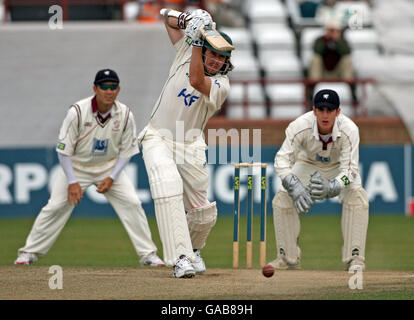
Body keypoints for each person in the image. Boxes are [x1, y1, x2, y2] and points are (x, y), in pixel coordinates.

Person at [14, 69, 165, 268]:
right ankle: (28, 253)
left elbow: (127, 151)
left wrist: (111, 177)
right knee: (55, 207)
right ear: (95, 88)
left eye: (113, 87)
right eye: (104, 87)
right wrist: (72, 181)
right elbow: (63, 150)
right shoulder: (77, 111)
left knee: (132, 202)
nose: (109, 91)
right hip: (77, 167)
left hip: (109, 167)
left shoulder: (125, 114)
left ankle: (148, 255)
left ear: (118, 90)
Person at [138, 8, 233, 278]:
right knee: (167, 187)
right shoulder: (185, 50)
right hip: (158, 137)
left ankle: (193, 249)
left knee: (203, 214)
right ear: (205, 52)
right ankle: (180, 258)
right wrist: (188, 21)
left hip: (191, 145)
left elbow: (195, 79)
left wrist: (198, 40)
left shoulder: (221, 85)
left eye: (222, 57)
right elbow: (164, 15)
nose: (216, 61)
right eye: (213, 53)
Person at [265, 89, 369, 271]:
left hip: (339, 167)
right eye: (321, 109)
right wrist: (293, 185)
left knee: (357, 196)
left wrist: (334, 185)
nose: (325, 115)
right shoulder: (299, 126)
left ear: (338, 112)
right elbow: (281, 159)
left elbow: (351, 169)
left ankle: (355, 258)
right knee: (282, 198)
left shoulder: (350, 129)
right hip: (307, 164)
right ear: (314, 110)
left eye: (330, 110)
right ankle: (287, 258)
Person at [308, 19, 358, 106]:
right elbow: (317, 50)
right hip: (322, 72)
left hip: (338, 72)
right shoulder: (320, 40)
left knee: (347, 60)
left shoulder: (343, 41)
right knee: (315, 59)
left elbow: (346, 51)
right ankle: (312, 92)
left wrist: (337, 41)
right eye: (331, 30)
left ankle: (351, 92)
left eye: (335, 30)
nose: (332, 32)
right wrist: (326, 41)